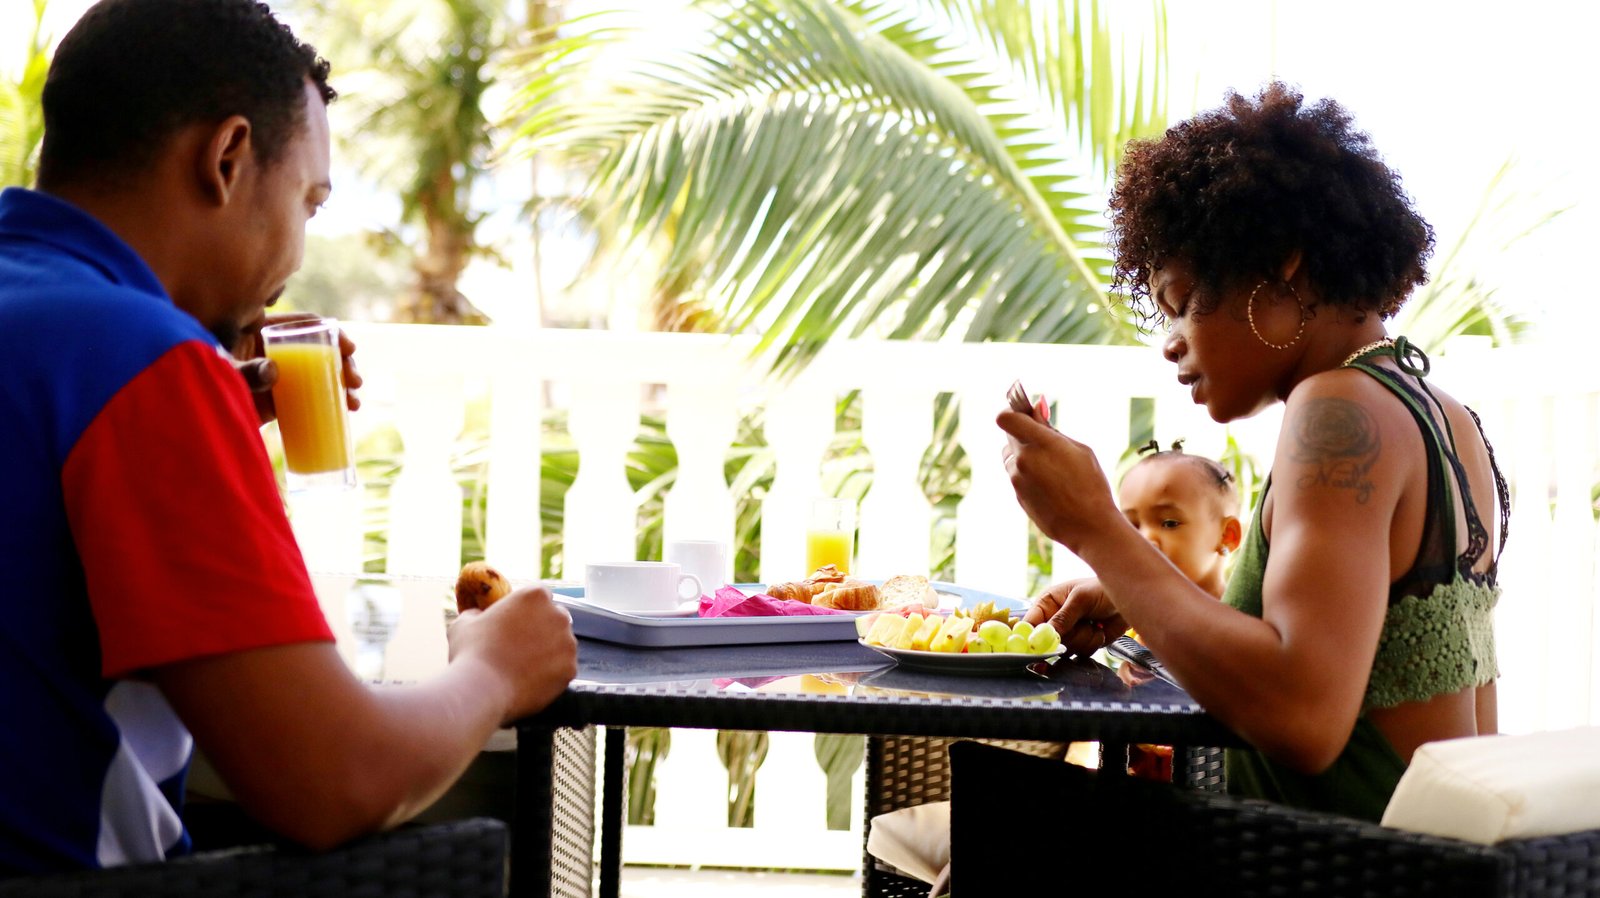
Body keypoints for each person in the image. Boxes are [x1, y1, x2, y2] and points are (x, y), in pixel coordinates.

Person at [0, 0, 575, 876]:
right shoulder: (135, 363)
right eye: (309, 199)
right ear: (227, 159)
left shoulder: (58, 333)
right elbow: (334, 779)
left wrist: (212, 412)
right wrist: (495, 669)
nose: (299, 253)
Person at [1000, 81, 1508, 822]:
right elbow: (1353, 648)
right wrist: (1136, 598)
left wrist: (1096, 530)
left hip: (1327, 869)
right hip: (1432, 868)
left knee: (988, 823)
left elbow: (1301, 715)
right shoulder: (1444, 416)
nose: (1169, 342)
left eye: (1178, 301)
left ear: (1281, 266)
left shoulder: (1337, 410)